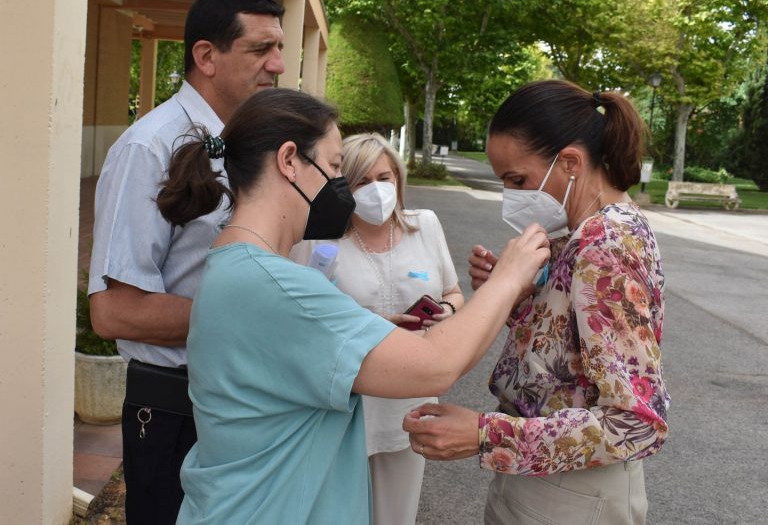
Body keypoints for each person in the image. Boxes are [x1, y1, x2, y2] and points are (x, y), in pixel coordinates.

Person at [154, 88, 550, 524]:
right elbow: (436, 364)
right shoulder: (275, 286)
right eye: (336, 166)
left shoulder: (237, 267)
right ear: (289, 161)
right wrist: (510, 277)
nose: (342, 186)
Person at [404, 80, 670, 525]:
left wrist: (485, 435)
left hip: (573, 494)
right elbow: (571, 360)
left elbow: (635, 423)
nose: (511, 195)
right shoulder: (582, 234)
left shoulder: (605, 245)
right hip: (554, 476)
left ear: (570, 163)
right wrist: (517, 298)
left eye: (518, 179)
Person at [87, 0, 285, 523]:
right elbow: (115, 311)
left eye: (281, 48)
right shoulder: (148, 148)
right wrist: (260, 320)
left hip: (245, 395)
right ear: (206, 56)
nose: (279, 65)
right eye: (261, 50)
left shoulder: (251, 143)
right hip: (179, 406)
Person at [290, 132, 464, 524]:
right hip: (344, 405)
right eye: (362, 181)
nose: (377, 190)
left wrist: (447, 311)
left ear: (398, 180)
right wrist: (368, 327)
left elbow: (454, 291)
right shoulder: (317, 241)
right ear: (343, 187)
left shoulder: (426, 226)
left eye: (384, 178)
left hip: (410, 401)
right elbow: (297, 319)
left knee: (396, 515)